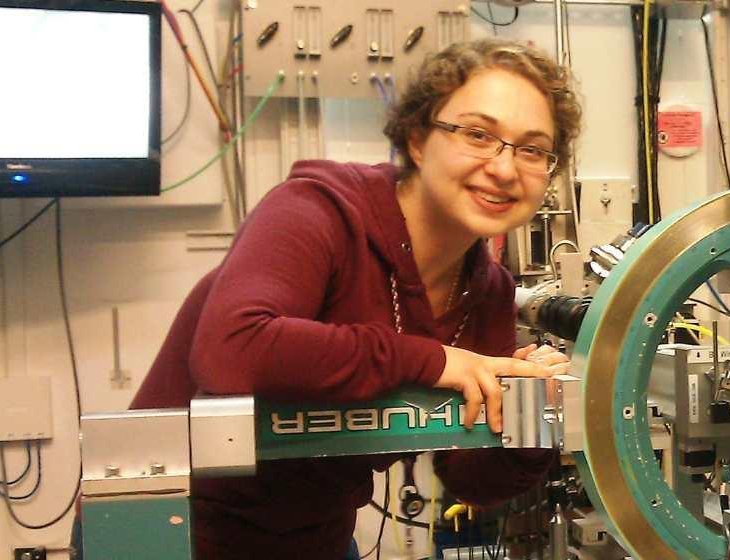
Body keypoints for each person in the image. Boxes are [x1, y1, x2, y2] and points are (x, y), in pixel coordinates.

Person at [129, 37, 582, 558]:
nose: (504, 169)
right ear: (417, 139)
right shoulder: (317, 212)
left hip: (315, 540)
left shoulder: (488, 289)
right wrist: (431, 360)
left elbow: (469, 479)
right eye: (478, 135)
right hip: (171, 533)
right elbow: (232, 350)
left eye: (532, 149)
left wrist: (528, 416)